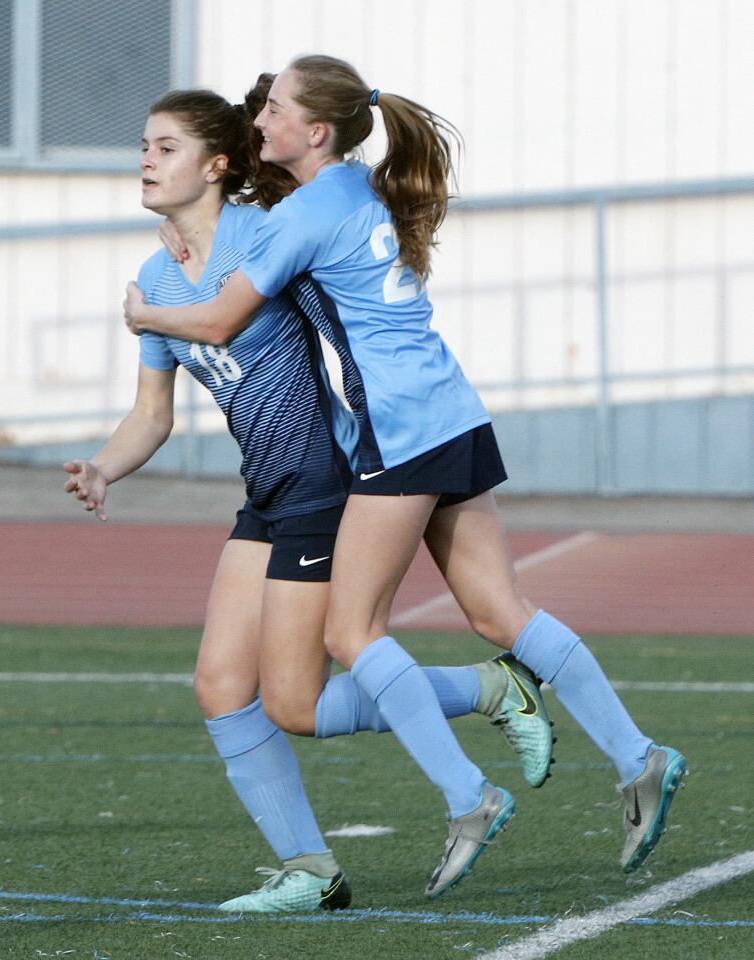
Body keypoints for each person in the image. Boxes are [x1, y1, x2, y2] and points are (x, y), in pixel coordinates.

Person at [124, 55, 687, 897]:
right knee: (501, 611)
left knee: (351, 635)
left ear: (314, 131)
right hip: (451, 409)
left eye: (274, 108)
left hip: (396, 429)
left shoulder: (299, 216)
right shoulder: (349, 185)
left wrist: (146, 312)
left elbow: (215, 318)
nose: (261, 119)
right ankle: (639, 756)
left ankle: (468, 796)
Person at [66, 84, 553, 913]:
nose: (145, 160)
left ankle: (491, 690)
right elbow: (152, 414)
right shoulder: (153, 275)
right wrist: (107, 468)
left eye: (166, 147)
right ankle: (312, 870)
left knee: (296, 701)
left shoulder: (268, 235)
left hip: (328, 485)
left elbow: (350, 290)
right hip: (266, 493)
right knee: (223, 685)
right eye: (144, 146)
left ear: (218, 164)